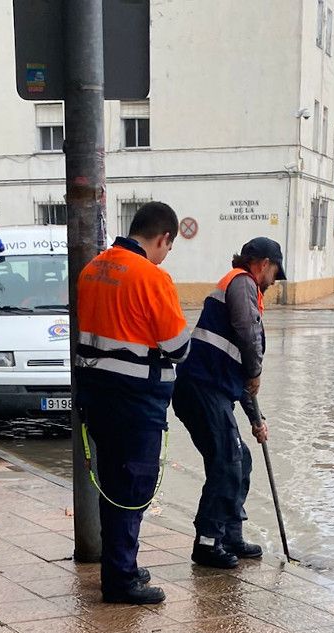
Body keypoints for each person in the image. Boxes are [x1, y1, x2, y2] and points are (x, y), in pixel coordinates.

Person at [76, 202, 191, 604]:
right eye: (168, 247)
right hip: (136, 400)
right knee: (132, 488)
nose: (165, 254)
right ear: (163, 238)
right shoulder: (152, 278)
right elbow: (177, 348)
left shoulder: (93, 269)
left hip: (97, 395)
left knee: (112, 484)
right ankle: (121, 579)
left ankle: (120, 564)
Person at [172, 237, 284, 569]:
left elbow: (243, 375)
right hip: (200, 388)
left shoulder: (245, 289)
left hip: (212, 390)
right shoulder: (242, 284)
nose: (276, 281)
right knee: (227, 460)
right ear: (263, 264)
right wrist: (256, 369)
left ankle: (229, 534)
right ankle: (207, 542)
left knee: (241, 460)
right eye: (276, 271)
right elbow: (248, 337)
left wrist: (255, 419)